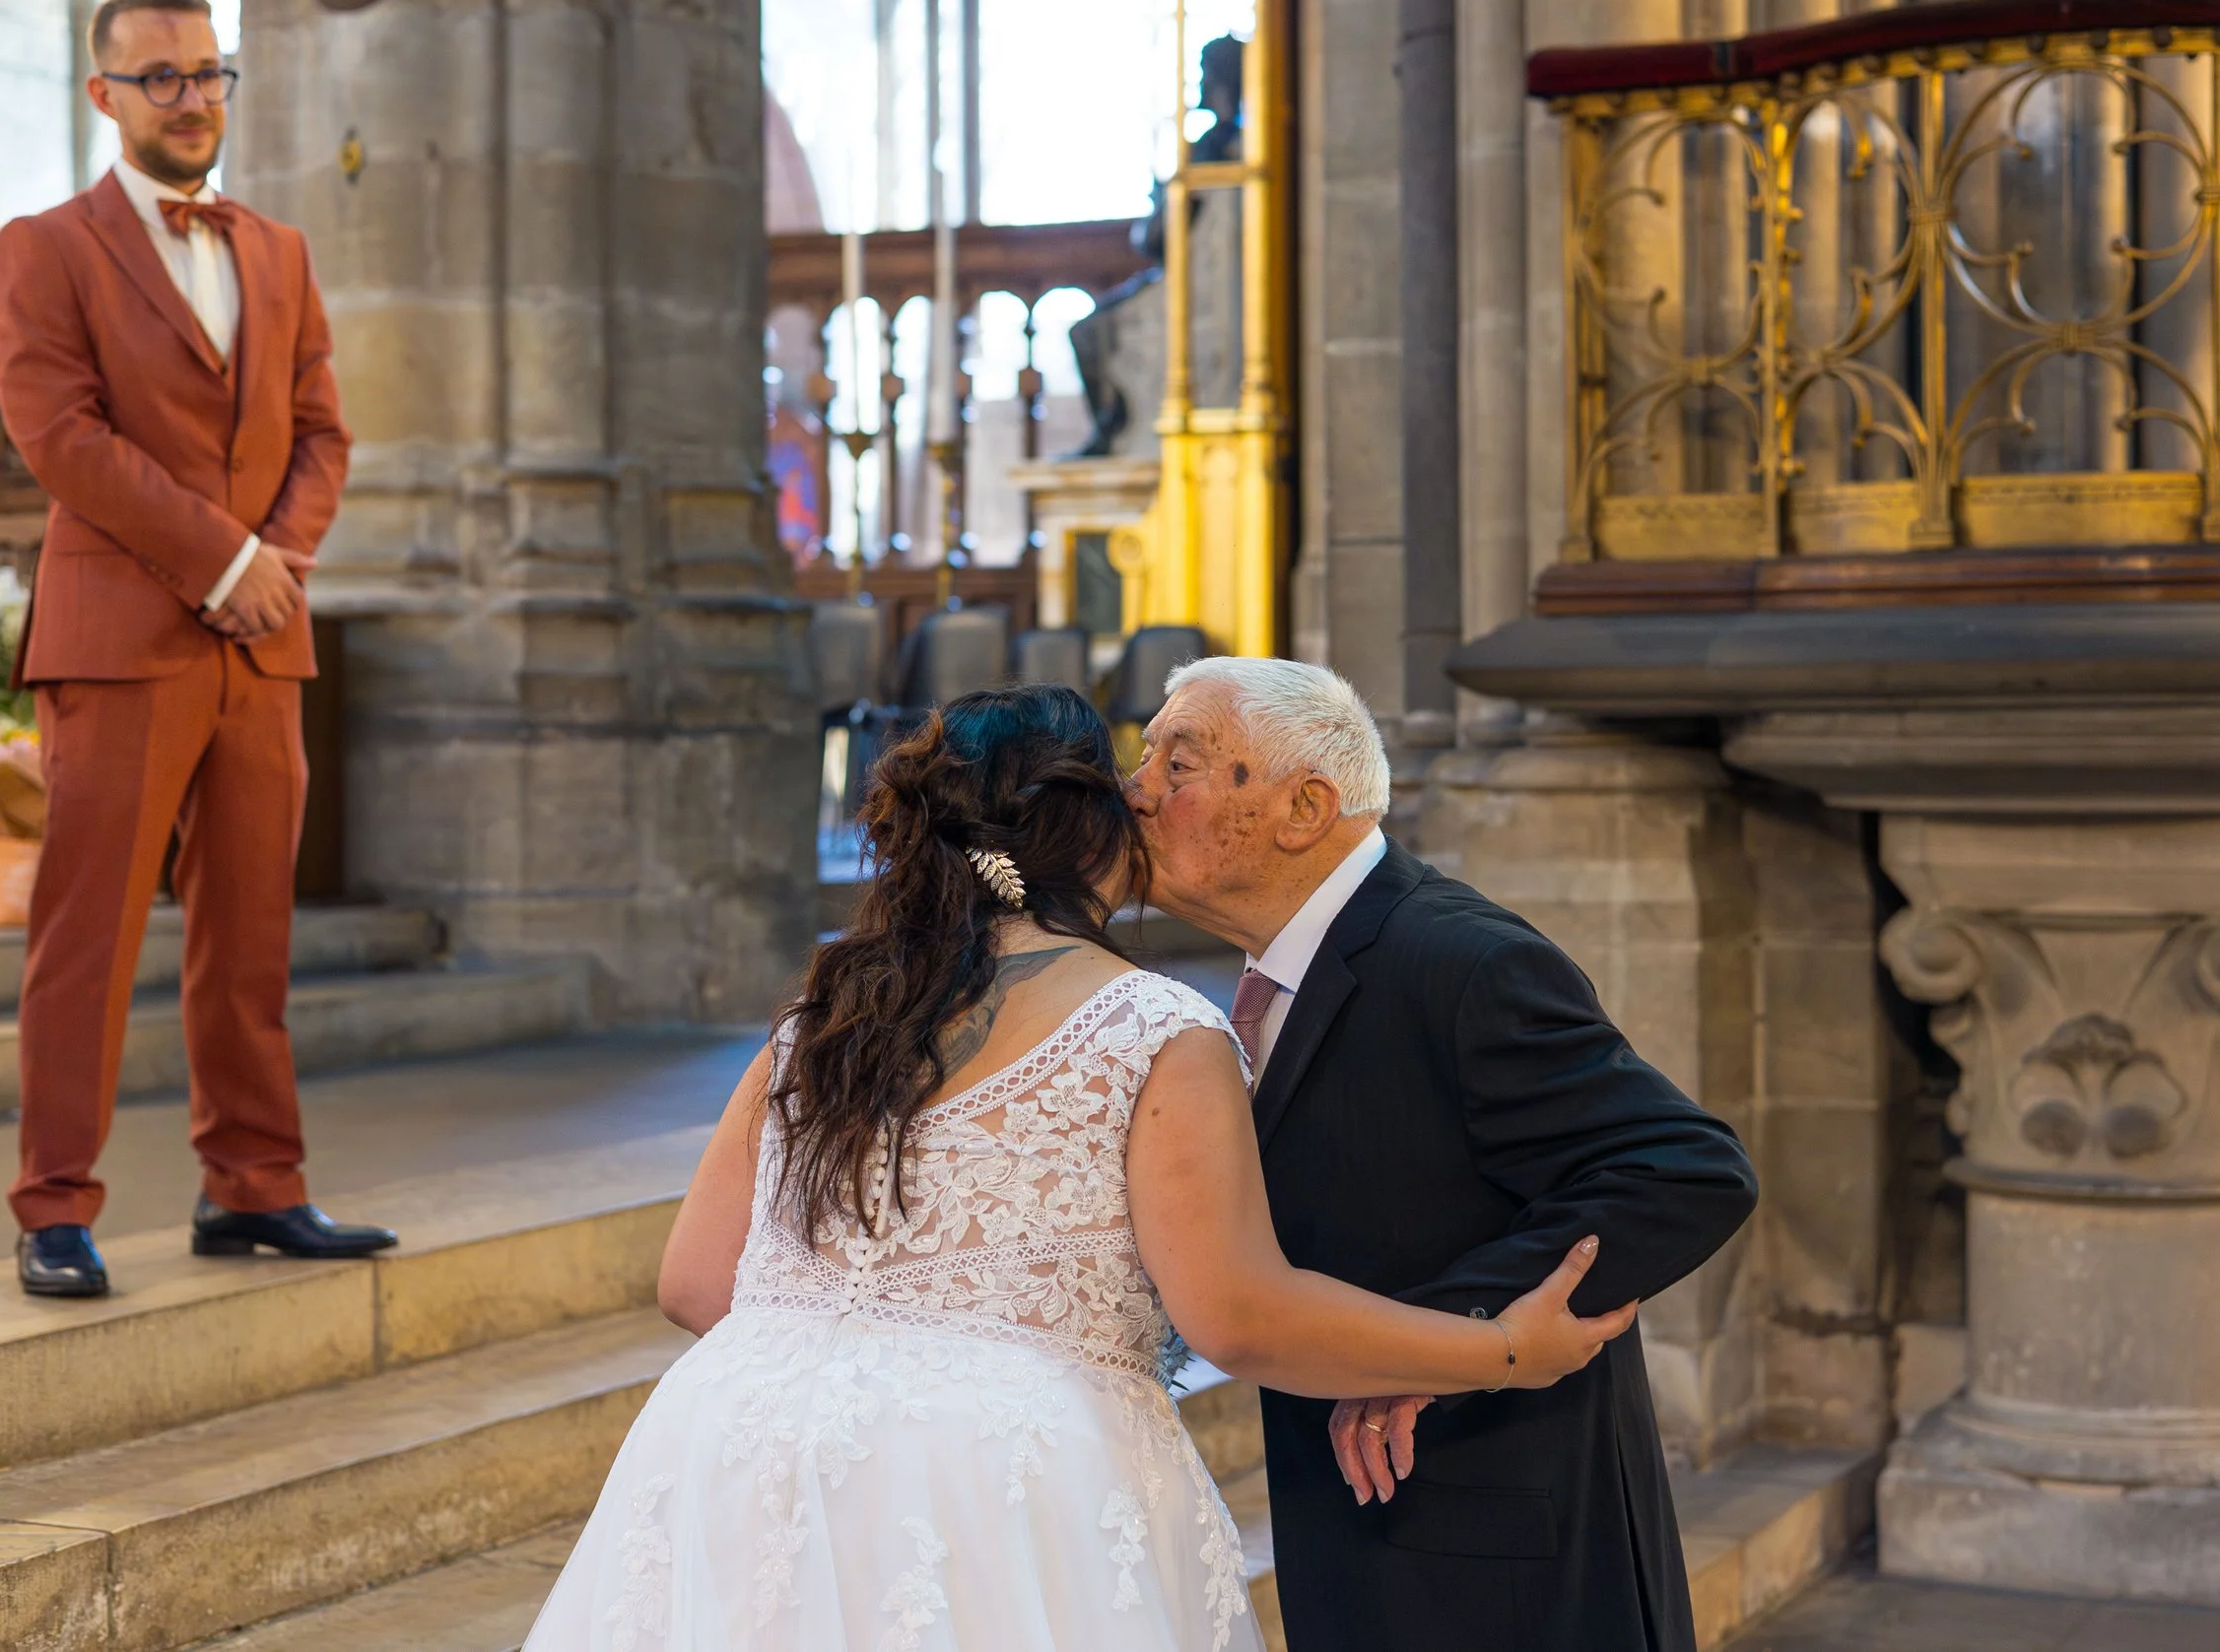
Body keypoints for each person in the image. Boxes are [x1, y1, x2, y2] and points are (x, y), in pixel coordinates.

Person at [523, 685, 1634, 1648]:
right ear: (1081, 826)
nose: (1147, 797)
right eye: (1125, 777)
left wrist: (850, 1360)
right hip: (999, 1480)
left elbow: (692, 1283)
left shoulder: (825, 1008)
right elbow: (1238, 1316)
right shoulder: (1151, 1026)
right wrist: (1499, 1349)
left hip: (731, 1444)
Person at [1128, 657, 1761, 1652]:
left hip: (1492, 1527)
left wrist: (1433, 1346)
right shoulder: (1288, 965)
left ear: (1303, 806)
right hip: (1368, 1508)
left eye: (1182, 761)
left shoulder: (1458, 960)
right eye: (1147, 756)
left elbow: (1684, 1170)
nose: (1140, 790)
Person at [0, 0, 394, 1297]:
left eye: (211, 73)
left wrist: (278, 565)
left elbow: (324, 430)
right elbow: (62, 438)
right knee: (87, 933)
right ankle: (54, 1203)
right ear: (103, 95)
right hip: (120, 639)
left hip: (258, 646)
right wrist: (224, 559)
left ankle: (255, 1185)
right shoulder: (44, 247)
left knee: (251, 934)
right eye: (160, 76)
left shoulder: (276, 249)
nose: (192, 98)